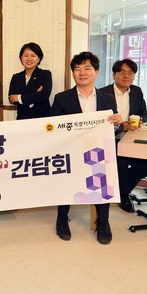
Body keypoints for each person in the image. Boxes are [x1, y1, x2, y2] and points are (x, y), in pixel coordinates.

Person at [51, 52, 122, 244]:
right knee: (66, 183)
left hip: (99, 151)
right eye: (77, 69)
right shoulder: (61, 98)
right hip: (71, 152)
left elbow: (115, 127)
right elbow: (52, 128)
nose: (82, 73)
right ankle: (62, 218)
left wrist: (117, 123)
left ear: (96, 72)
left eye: (87, 68)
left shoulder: (107, 99)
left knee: (102, 182)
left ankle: (103, 222)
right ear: (73, 73)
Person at [99, 59, 147, 213]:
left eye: (130, 73)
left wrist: (139, 120)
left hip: (132, 140)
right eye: (122, 72)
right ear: (114, 74)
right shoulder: (102, 93)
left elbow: (144, 114)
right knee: (122, 162)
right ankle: (124, 195)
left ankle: (120, 190)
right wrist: (121, 125)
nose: (126, 76)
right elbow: (99, 122)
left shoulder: (137, 91)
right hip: (110, 140)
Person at [7, 42, 52, 120]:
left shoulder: (45, 74)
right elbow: (12, 99)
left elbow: (44, 95)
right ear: (21, 58)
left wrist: (20, 97)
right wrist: (35, 94)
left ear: (39, 59)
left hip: (42, 118)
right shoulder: (16, 77)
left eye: (33, 56)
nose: (29, 59)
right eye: (26, 55)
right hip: (22, 118)